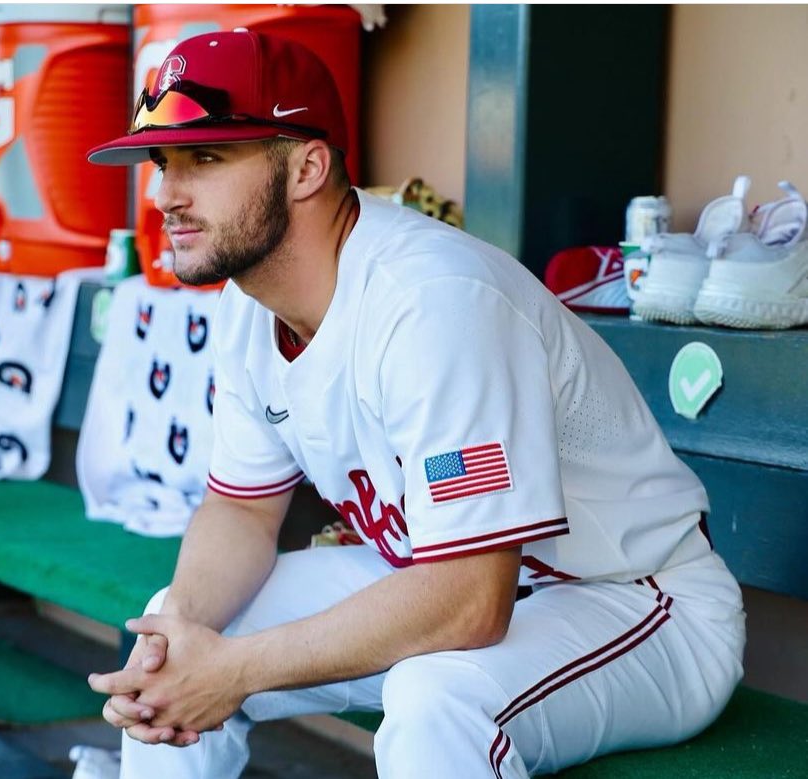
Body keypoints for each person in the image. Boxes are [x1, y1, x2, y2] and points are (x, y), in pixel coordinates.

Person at [84, 30, 745, 778]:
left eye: (204, 159)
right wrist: (185, 643)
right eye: (163, 162)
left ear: (306, 166)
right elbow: (240, 512)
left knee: (435, 697)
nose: (165, 192)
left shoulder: (433, 300)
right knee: (179, 624)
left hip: (637, 603)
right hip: (446, 580)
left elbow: (468, 602)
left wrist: (234, 670)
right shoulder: (252, 304)